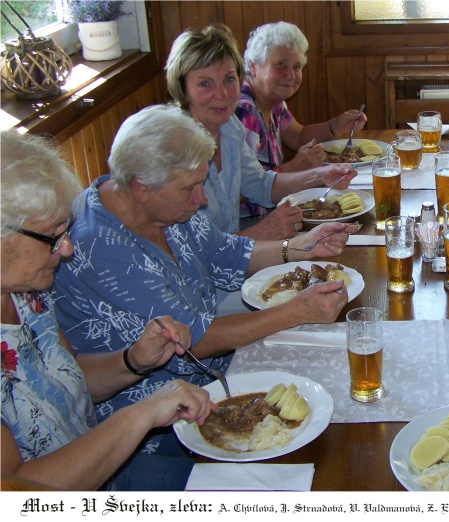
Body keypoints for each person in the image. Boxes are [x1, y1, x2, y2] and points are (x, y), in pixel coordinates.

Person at [52, 104, 355, 447]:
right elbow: (197, 339)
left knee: (330, 382)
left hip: (215, 374)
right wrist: (297, 311)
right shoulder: (100, 248)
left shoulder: (163, 207)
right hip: (153, 428)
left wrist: (301, 247)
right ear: (141, 187)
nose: (200, 199)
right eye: (190, 189)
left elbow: (227, 252)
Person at [1, 130, 213, 490]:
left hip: (106, 469)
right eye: (52, 235)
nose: (66, 248)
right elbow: (18, 491)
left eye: (64, 229)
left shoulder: (24, 294)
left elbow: (69, 379)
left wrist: (134, 360)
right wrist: (143, 413)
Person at [165, 24, 357, 240]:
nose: (222, 94)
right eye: (205, 83)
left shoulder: (229, 127)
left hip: (237, 253)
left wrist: (320, 175)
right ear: (183, 88)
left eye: (229, 79)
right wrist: (259, 233)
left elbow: (260, 185)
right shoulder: (172, 145)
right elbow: (189, 252)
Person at [236, 21, 367, 173]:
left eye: (297, 67)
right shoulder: (245, 111)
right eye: (281, 64)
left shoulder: (274, 101)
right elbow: (245, 189)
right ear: (253, 66)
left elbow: (298, 137)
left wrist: (337, 125)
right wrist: (295, 167)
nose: (290, 75)